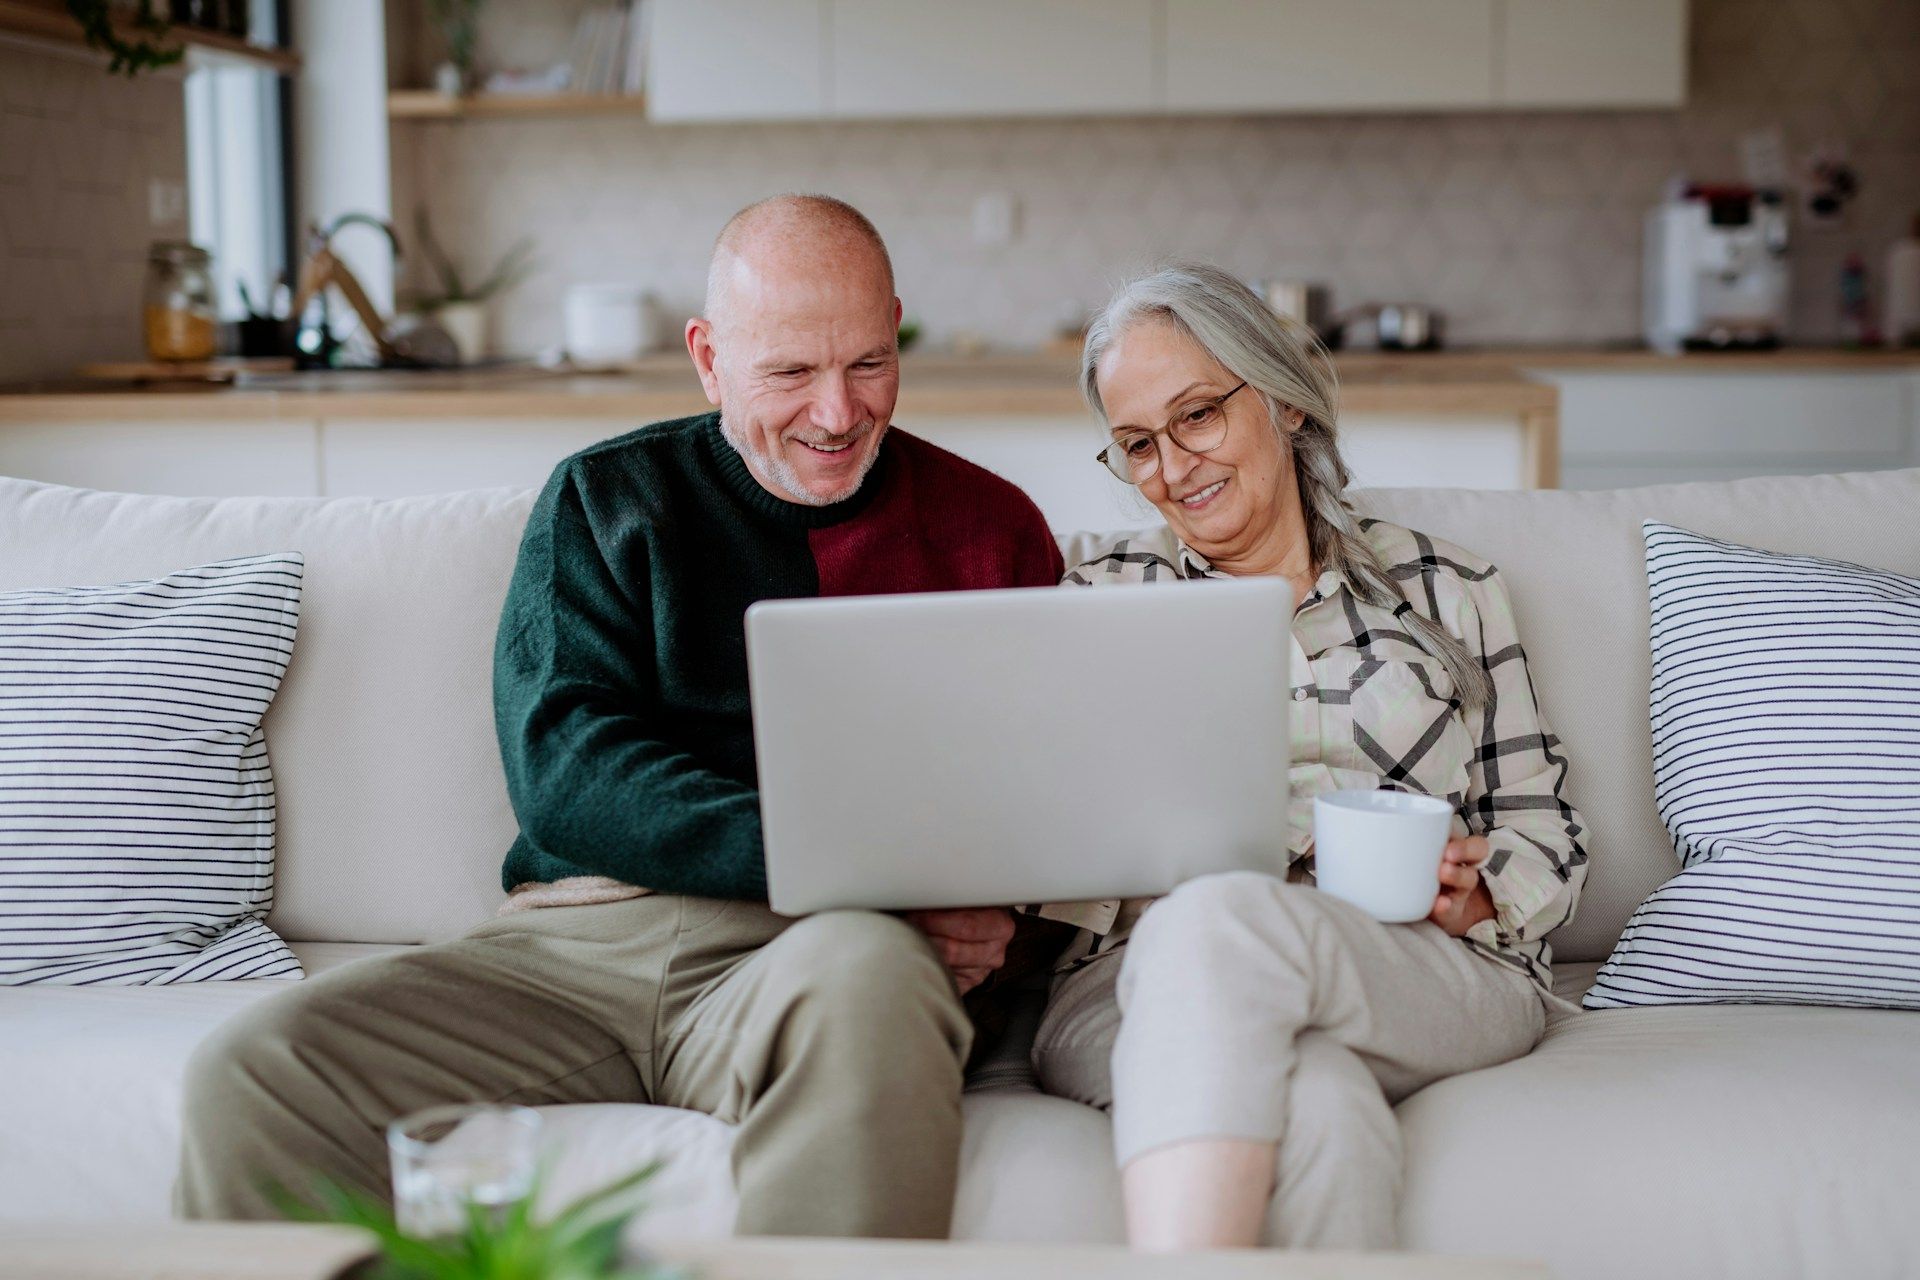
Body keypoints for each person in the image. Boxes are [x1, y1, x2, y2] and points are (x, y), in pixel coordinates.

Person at [176, 194, 1065, 1238]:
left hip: (832, 949)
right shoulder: (605, 498)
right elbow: (567, 768)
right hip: (578, 946)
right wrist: (845, 855)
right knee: (252, 1070)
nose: (837, 411)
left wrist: (984, 916)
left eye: (869, 362)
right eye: (790, 371)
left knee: (873, 981)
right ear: (708, 357)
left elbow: (1038, 800)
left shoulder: (989, 529)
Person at [1028, 263, 1588, 1251]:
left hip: (1417, 964)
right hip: (1129, 979)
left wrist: (1484, 891)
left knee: (1221, 922)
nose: (1172, 466)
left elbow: (1543, 825)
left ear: (1282, 398)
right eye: (1136, 445)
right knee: (1319, 1098)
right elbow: (1024, 830)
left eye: (1196, 415)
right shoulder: (1087, 601)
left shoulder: (1450, 589)